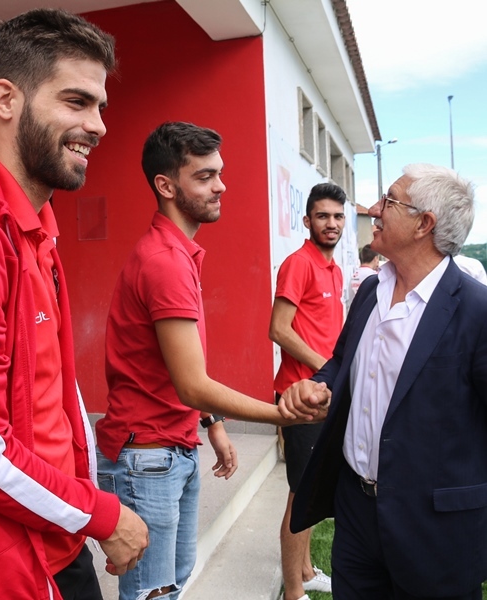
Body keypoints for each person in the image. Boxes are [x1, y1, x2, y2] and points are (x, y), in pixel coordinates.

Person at [0, 9, 149, 600]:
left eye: (100, 106)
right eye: (76, 101)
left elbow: (53, 394)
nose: (97, 125)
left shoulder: (36, 228)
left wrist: (80, 506)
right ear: (5, 100)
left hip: (53, 537)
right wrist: (101, 514)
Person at [95, 121, 315, 600]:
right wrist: (281, 414)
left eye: (220, 173)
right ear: (166, 185)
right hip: (147, 458)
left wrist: (212, 425)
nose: (221, 185)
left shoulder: (179, 253)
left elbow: (177, 373)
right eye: (205, 176)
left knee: (170, 587)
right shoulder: (165, 261)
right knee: (153, 594)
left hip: (172, 448)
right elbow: (194, 384)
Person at [280, 164, 487, 600]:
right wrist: (318, 384)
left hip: (434, 529)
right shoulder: (371, 291)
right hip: (356, 515)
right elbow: (341, 362)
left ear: (423, 225)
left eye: (389, 201)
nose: (374, 209)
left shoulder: (476, 311)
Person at [269, 182, 347, 600]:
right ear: (307, 221)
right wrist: (329, 370)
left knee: (313, 488)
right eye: (322, 216)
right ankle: (294, 591)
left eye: (337, 216)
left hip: (320, 398)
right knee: (301, 496)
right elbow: (278, 330)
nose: (330, 223)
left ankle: (305, 569)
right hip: (299, 399)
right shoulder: (298, 263)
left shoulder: (332, 269)